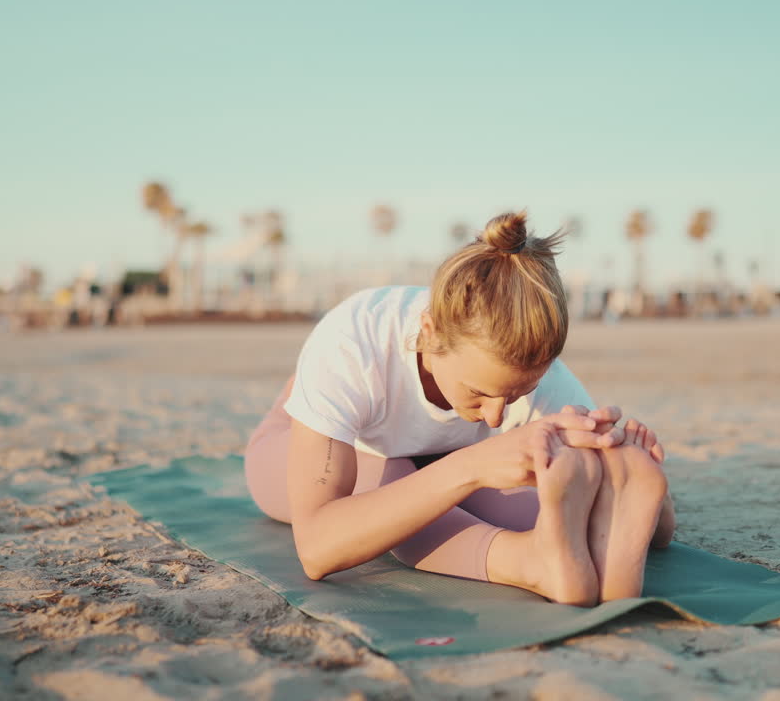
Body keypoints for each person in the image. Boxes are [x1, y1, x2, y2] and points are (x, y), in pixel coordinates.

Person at [243, 211, 675, 606]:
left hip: (432, 457)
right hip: (295, 444)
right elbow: (317, 549)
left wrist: (623, 472)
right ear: (428, 334)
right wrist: (475, 464)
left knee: (542, 485)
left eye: (517, 395)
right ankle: (526, 561)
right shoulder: (353, 343)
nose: (495, 416)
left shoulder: (532, 365)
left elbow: (583, 468)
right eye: (478, 393)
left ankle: (593, 542)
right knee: (394, 479)